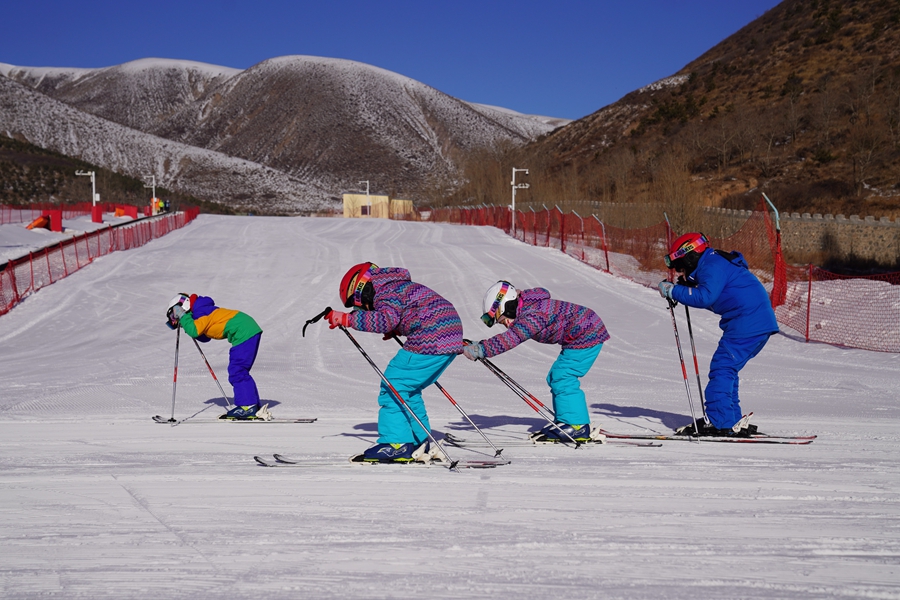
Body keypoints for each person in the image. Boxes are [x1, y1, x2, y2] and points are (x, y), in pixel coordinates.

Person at [326, 263, 463, 462]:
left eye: (357, 305)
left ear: (361, 291)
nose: (362, 309)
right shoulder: (395, 286)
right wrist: (400, 327)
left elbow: (386, 319)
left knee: (393, 386)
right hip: (449, 335)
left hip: (431, 337)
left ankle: (396, 443)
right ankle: (419, 441)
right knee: (408, 389)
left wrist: (347, 319)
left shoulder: (385, 291)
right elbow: (408, 312)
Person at [658, 232, 779, 436]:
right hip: (754, 322)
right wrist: (689, 288)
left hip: (748, 322)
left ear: (690, 255)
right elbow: (718, 294)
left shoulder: (711, 265)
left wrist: (672, 291)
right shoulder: (714, 261)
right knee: (727, 368)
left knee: (722, 368)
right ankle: (730, 419)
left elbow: (705, 297)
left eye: (681, 265)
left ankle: (720, 422)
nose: (682, 271)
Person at [463, 281, 610, 442]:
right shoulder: (528, 308)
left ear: (509, 306)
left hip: (588, 332)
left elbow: (511, 338)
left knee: (563, 376)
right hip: (580, 334)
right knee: (557, 377)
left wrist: (482, 349)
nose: (505, 324)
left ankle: (576, 426)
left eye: (503, 319)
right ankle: (567, 420)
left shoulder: (533, 314)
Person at [166, 293, 267, 420]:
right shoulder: (201, 311)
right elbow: (204, 336)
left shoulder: (200, 311)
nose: (175, 319)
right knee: (239, 370)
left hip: (244, 332)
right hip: (245, 330)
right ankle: (252, 406)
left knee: (238, 371)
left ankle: (247, 406)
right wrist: (188, 322)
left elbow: (195, 330)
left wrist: (184, 317)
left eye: (174, 314)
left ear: (182, 306)